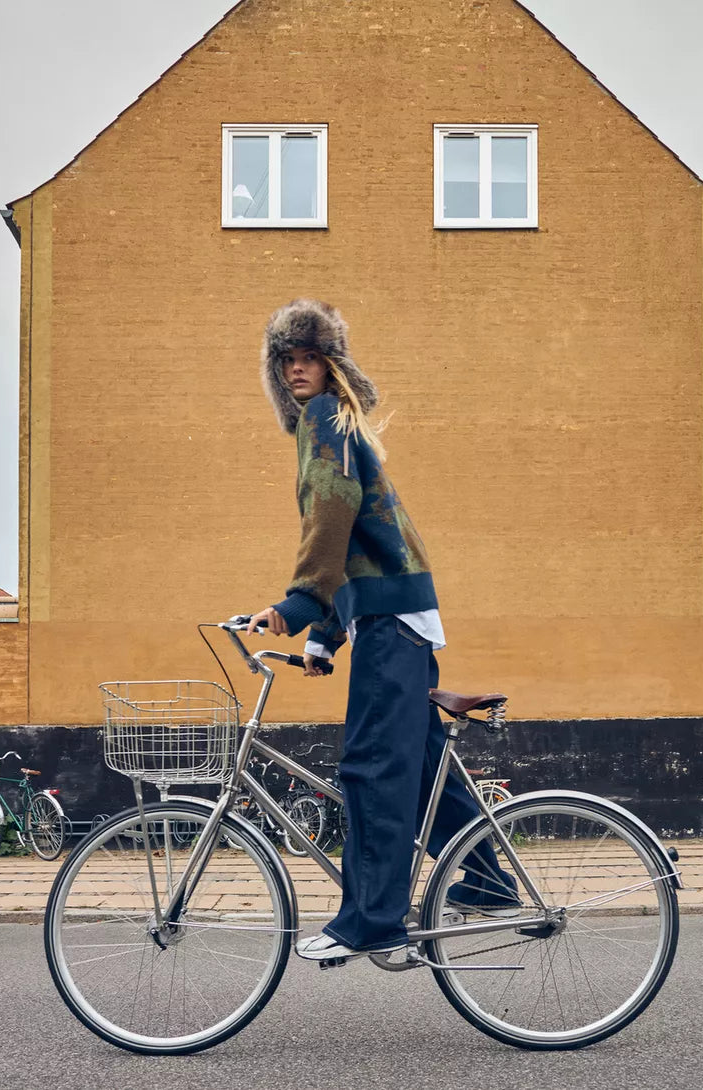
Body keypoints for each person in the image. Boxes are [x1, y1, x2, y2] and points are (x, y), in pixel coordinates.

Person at [248, 298, 520, 962]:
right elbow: (358, 544)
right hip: (401, 618)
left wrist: (299, 604)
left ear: (330, 364)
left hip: (391, 626)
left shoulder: (324, 418)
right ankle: (488, 881)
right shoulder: (337, 425)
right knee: (422, 773)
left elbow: (331, 515)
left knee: (372, 768)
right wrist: (324, 636)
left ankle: (372, 919)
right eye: (286, 361)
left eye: (309, 357)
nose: (296, 370)